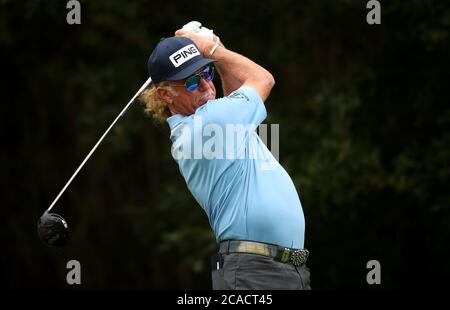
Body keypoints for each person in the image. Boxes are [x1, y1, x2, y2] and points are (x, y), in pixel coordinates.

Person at [140, 26, 311, 290]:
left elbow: (234, 93)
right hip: (254, 272)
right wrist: (212, 49)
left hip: (277, 271)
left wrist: (213, 49)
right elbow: (262, 79)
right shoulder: (205, 125)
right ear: (164, 94)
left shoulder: (214, 121)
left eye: (206, 73)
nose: (206, 86)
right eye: (192, 81)